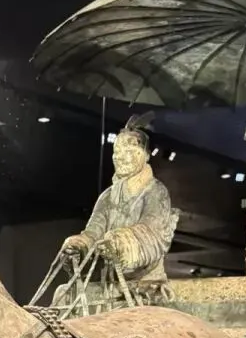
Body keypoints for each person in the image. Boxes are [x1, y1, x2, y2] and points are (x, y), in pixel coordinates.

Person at [55, 116, 178, 311]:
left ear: (146, 155)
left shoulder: (156, 191)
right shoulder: (107, 197)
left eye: (129, 150)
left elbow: (154, 234)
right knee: (63, 295)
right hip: (109, 285)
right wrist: (80, 246)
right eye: (117, 151)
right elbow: (93, 232)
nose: (120, 157)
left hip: (145, 286)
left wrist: (122, 242)